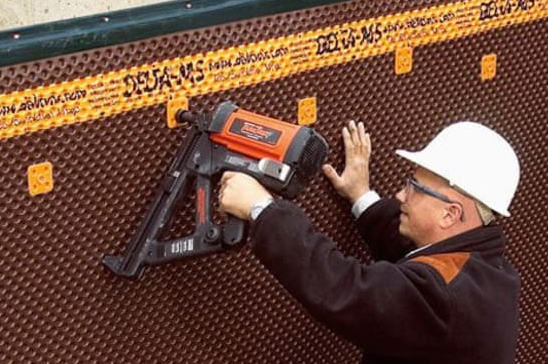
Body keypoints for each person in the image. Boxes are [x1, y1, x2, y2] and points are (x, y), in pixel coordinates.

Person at [218, 120, 522, 364]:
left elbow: (347, 290)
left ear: (449, 214)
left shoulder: (446, 297)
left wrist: (263, 210)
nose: (401, 195)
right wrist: (361, 195)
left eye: (415, 187)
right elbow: (412, 256)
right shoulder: (482, 268)